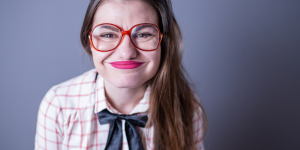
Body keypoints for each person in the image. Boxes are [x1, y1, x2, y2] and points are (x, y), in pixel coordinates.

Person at [35, 0, 207, 150]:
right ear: (90, 41)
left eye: (143, 34)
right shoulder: (59, 105)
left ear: (163, 40)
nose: (126, 53)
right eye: (108, 34)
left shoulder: (186, 106)